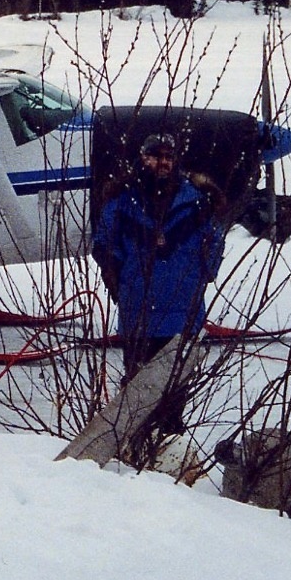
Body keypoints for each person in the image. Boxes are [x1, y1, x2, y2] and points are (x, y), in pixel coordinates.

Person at [91, 131, 225, 463]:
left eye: (168, 156)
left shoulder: (196, 201)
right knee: (136, 394)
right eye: (154, 155)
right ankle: (138, 457)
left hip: (182, 315)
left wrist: (201, 277)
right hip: (139, 315)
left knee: (173, 398)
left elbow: (214, 244)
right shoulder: (122, 202)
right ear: (142, 156)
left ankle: (167, 461)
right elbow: (104, 247)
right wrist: (122, 284)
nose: (161, 162)